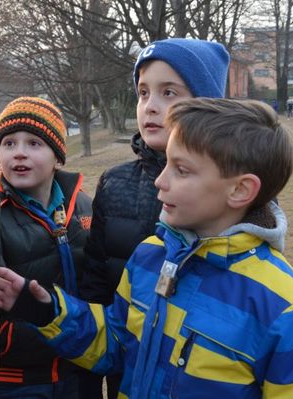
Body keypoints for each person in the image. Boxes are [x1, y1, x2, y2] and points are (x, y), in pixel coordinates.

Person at [0, 98, 293, 399]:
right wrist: (46, 311)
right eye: (165, 162)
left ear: (240, 190)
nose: (160, 181)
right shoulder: (149, 256)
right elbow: (116, 344)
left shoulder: (290, 310)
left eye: (181, 170)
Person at [78, 37, 230, 399]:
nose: (150, 106)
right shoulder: (114, 183)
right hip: (127, 368)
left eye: (168, 93)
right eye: (143, 93)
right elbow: (97, 281)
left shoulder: (223, 189)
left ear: (207, 105)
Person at [0, 97, 92, 399]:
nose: (19, 154)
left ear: (58, 156)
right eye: (9, 144)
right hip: (17, 378)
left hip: (79, 367)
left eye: (34, 143)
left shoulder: (81, 204)